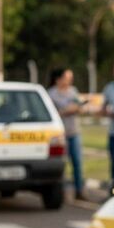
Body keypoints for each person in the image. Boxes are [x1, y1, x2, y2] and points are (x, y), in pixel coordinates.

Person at [47, 68, 88, 200]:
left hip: (74, 132)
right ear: (58, 79)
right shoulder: (51, 94)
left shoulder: (73, 91)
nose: (69, 80)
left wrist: (76, 108)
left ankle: (79, 190)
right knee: (61, 164)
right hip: (60, 135)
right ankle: (61, 191)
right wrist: (66, 110)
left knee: (77, 163)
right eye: (67, 77)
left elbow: (80, 108)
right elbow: (51, 114)